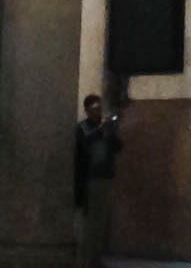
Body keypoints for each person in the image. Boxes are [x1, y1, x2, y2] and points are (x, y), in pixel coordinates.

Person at [72, 90, 124, 267]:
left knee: (101, 222)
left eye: (100, 109)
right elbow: (81, 148)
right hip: (88, 180)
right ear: (87, 110)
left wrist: (111, 133)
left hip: (104, 178)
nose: (98, 113)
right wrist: (99, 132)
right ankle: (84, 260)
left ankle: (95, 259)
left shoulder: (105, 129)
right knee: (87, 223)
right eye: (94, 109)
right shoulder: (82, 128)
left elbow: (118, 148)